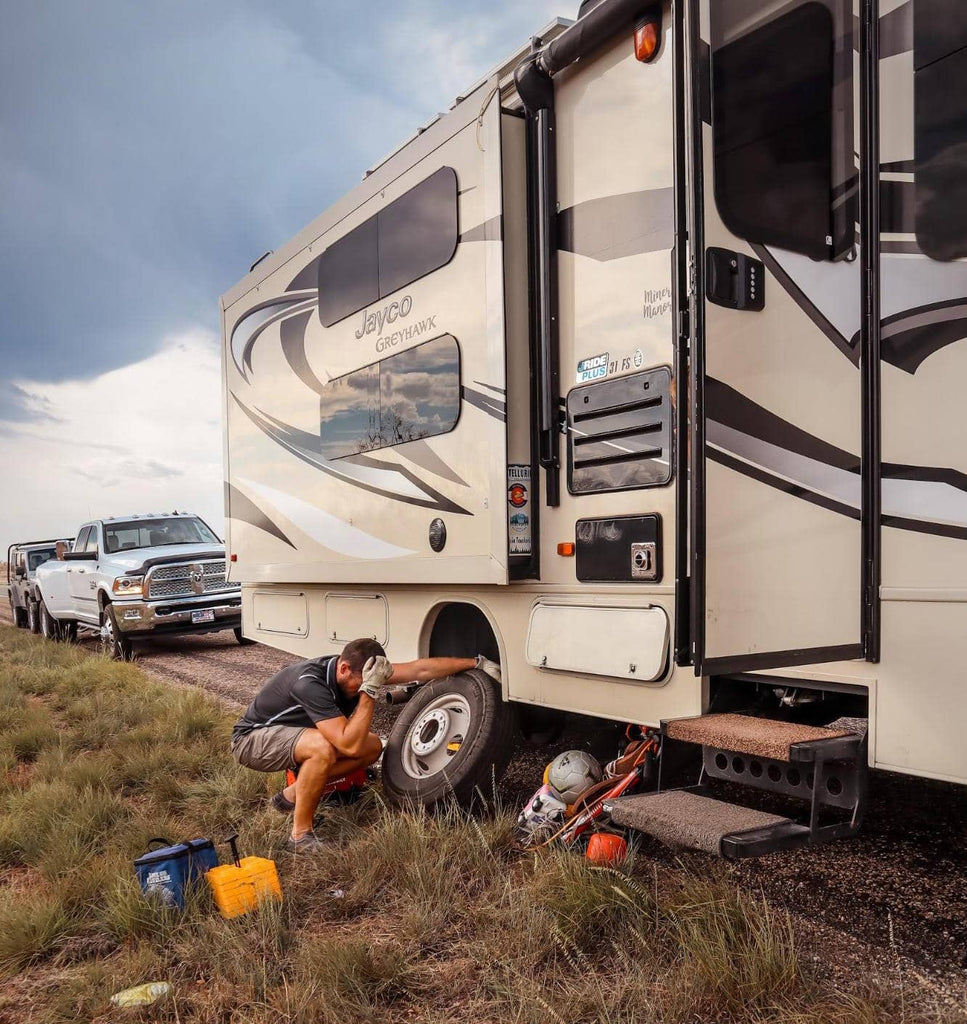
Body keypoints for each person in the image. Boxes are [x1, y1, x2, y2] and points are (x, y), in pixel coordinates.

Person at [231, 638, 500, 852]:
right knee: (321, 749)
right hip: (252, 741)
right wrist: (369, 692)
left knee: (372, 747)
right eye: (360, 682)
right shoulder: (309, 683)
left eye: (370, 681)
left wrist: (476, 663)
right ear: (344, 668)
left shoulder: (356, 672)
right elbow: (347, 743)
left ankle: (289, 797)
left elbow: (420, 669)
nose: (362, 687)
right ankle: (300, 836)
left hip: (291, 734)